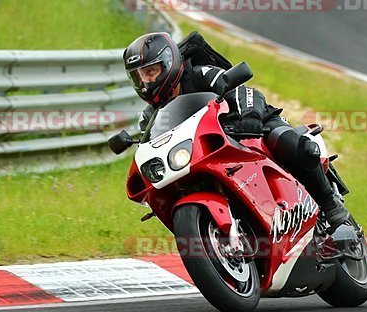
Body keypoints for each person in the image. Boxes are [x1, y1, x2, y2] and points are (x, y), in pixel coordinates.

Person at [123, 32, 351, 239]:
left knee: (290, 144)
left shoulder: (200, 74)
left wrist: (250, 116)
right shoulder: (149, 116)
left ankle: (332, 208)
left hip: (250, 126)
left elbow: (244, 91)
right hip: (209, 152)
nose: (146, 82)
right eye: (139, 77)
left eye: (151, 72)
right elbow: (152, 144)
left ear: (169, 64)